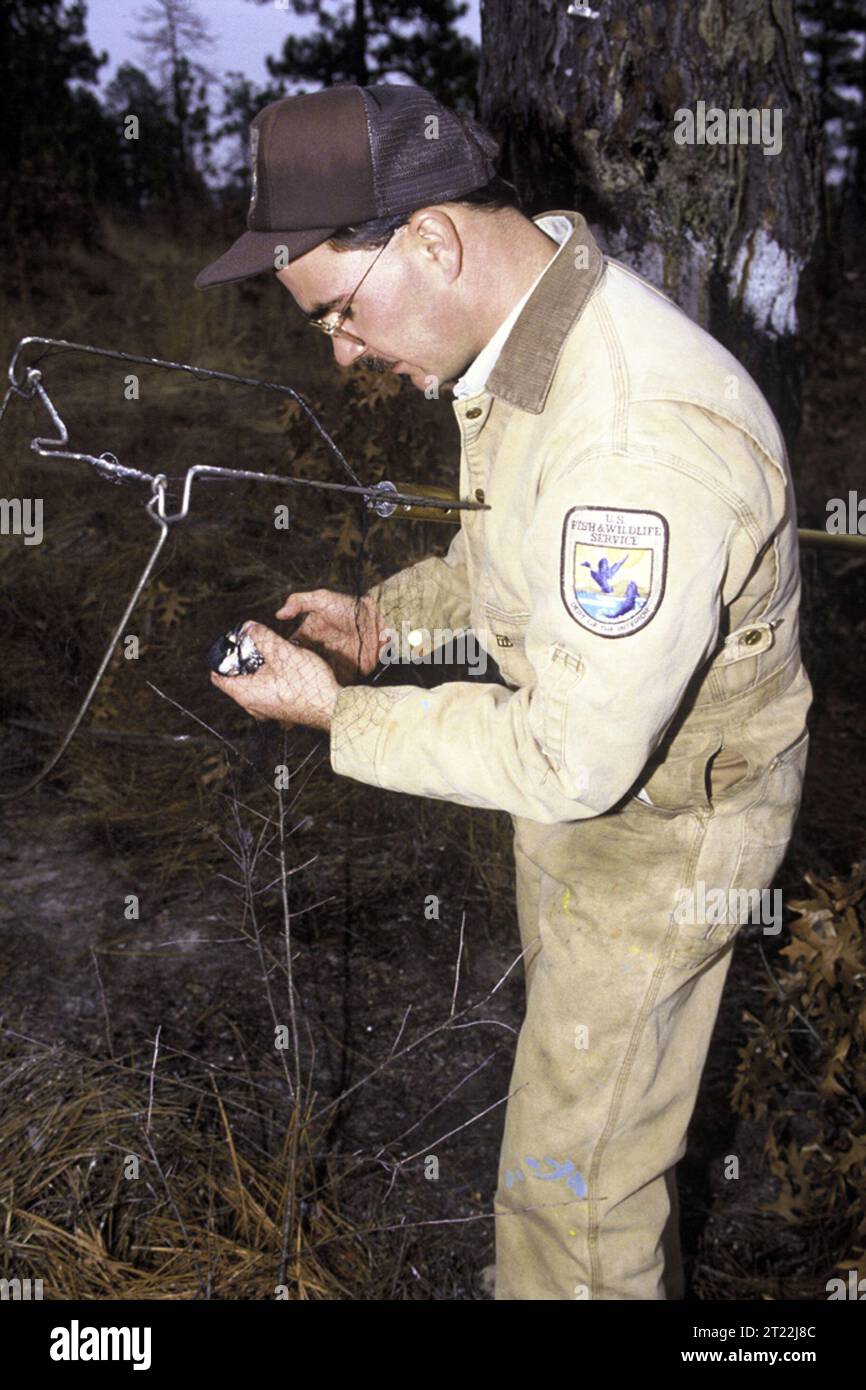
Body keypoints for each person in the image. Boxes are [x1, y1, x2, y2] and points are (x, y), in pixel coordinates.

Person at [196, 82, 812, 1300]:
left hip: (664, 829)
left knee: (574, 1184)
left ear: (429, 240)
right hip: (604, 801)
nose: (343, 351)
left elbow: (572, 757)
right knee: (571, 1121)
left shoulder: (632, 430)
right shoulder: (535, 341)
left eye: (337, 313)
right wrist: (386, 625)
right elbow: (507, 564)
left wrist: (337, 711)